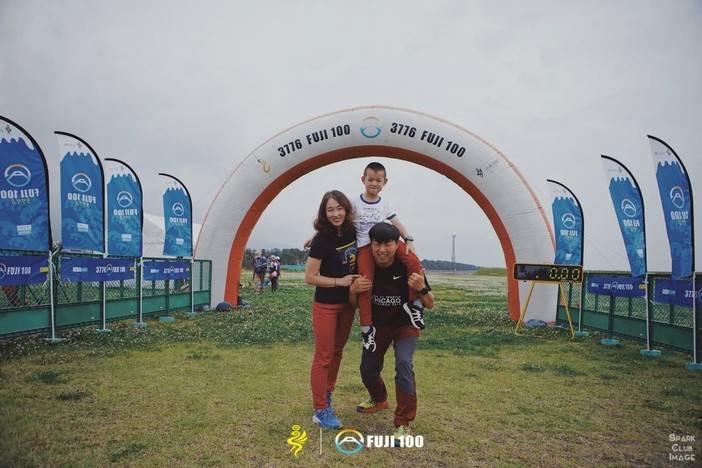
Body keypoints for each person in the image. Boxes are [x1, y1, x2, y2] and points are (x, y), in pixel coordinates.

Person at [305, 162, 423, 353]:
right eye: (370, 179)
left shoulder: (385, 204)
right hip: (365, 248)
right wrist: (316, 235)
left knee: (414, 261)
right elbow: (337, 218)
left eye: (378, 180)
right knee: (366, 285)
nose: (374, 183)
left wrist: (408, 238)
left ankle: (415, 304)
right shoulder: (353, 202)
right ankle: (367, 329)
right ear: (363, 180)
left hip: (383, 242)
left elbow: (396, 223)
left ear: (385, 182)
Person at [349, 222, 434, 440]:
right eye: (377, 244)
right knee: (368, 369)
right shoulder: (364, 266)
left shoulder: (408, 266)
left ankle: (403, 421)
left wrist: (422, 288)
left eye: (388, 244)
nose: (382, 250)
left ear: (397, 244)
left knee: (404, 363)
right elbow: (355, 304)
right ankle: (379, 399)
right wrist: (353, 290)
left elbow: (430, 303)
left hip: (405, 324)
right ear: (371, 244)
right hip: (378, 325)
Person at [304, 190, 360, 429]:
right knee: (324, 356)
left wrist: (407, 240)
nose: (336, 214)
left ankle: (327, 395)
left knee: (337, 352)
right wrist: (340, 281)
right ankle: (320, 410)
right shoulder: (321, 240)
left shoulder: (352, 231)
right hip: (326, 305)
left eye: (339, 208)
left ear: (346, 209)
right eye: (330, 210)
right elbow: (310, 277)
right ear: (324, 213)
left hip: (347, 305)